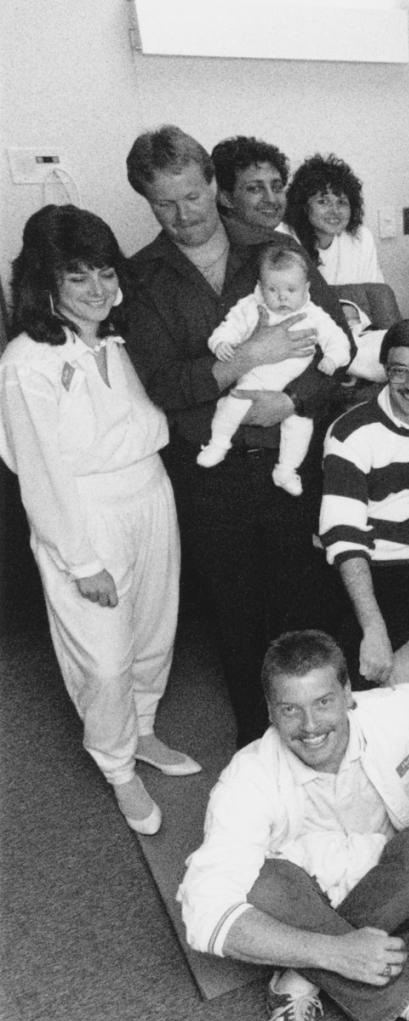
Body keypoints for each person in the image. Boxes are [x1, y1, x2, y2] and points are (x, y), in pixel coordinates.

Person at [123, 124, 352, 747]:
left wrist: (290, 399)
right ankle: (260, 751)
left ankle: (326, 747)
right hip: (210, 476)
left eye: (193, 197)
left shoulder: (274, 250)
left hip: (289, 462)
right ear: (147, 201)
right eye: (164, 203)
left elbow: (340, 346)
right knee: (237, 622)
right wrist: (250, 356)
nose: (183, 215)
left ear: (214, 187)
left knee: (307, 609)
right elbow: (167, 388)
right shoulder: (141, 278)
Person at [177, 630, 409, 1021]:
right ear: (270, 712)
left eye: (323, 702)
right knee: (262, 883)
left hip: (396, 888)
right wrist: (333, 952)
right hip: (303, 906)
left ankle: (297, 979)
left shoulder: (399, 711)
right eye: (290, 709)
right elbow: (203, 910)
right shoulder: (247, 777)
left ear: (348, 695)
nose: (310, 725)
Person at [0, 203, 194, 836]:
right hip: (85, 512)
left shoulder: (121, 335)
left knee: (151, 633)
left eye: (106, 272)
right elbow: (41, 473)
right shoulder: (28, 362)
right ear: (43, 281)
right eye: (78, 276)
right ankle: (117, 768)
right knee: (104, 658)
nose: (99, 289)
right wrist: (79, 560)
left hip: (149, 492)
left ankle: (142, 731)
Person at [315, 319, 409, 688]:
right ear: (384, 371)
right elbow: (343, 533)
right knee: (300, 661)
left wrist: (373, 634)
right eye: (400, 371)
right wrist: (374, 626)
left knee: (345, 675)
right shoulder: (351, 431)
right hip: (353, 560)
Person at [202, 246, 351, 495]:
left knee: (301, 426)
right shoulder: (251, 307)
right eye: (273, 290)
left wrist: (333, 360)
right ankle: (218, 444)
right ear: (260, 287)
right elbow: (229, 327)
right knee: (233, 405)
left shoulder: (314, 315)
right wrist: (221, 343)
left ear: (307, 289)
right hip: (254, 379)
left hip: (292, 386)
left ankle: (286, 470)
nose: (282, 298)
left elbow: (340, 341)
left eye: (291, 290)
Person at [286, 153, 384, 285]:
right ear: (303, 206)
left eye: (341, 202)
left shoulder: (361, 238)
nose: (334, 211)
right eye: (323, 202)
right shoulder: (285, 239)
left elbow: (374, 295)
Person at [211, 135, 293, 236]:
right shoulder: (213, 248)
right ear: (226, 198)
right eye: (255, 189)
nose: (271, 199)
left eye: (277, 188)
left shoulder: (288, 246)